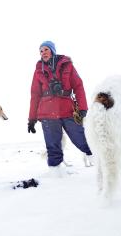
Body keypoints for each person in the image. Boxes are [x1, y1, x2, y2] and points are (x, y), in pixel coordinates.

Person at [28, 40, 93, 175]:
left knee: (81, 138)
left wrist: (83, 108)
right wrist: (32, 118)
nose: (43, 53)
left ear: (52, 50)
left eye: (46, 49)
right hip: (47, 112)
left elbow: (78, 86)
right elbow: (35, 94)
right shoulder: (38, 70)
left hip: (67, 109)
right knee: (52, 145)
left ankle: (99, 159)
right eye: (41, 51)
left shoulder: (67, 65)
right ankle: (55, 173)